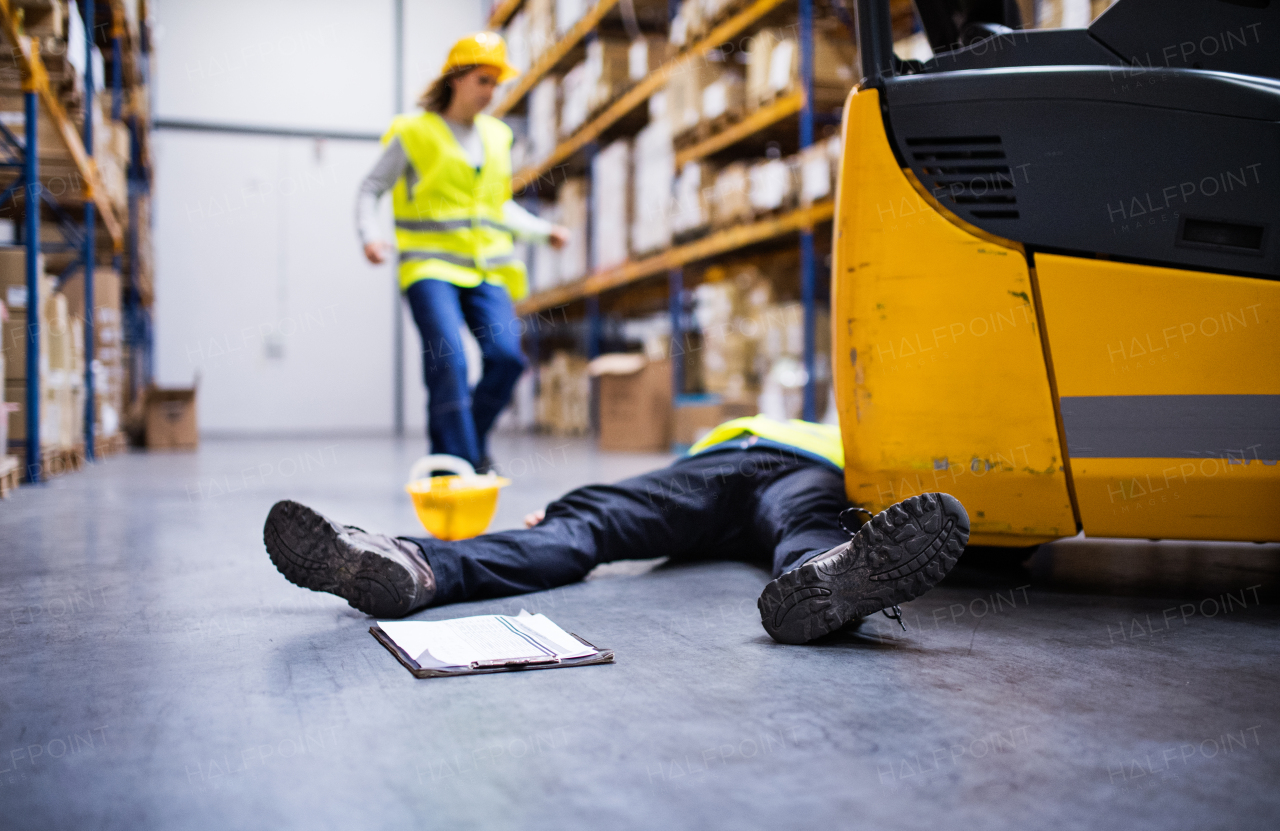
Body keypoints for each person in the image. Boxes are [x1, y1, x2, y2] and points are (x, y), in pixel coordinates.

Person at [263, 416, 971, 644]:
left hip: (775, 471)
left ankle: (834, 580)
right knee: (588, 521)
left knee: (593, 525)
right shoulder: (813, 424)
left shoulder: (855, 421)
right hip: (750, 471)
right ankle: (402, 565)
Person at [357, 32, 568, 471]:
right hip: (429, 266)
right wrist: (370, 235)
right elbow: (371, 188)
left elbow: (497, 206)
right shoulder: (414, 132)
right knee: (448, 360)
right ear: (456, 78)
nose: (490, 92)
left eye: (495, 83)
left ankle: (457, 451)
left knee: (508, 359)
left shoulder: (497, 137)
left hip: (486, 268)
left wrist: (542, 231)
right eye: (482, 81)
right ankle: (463, 463)